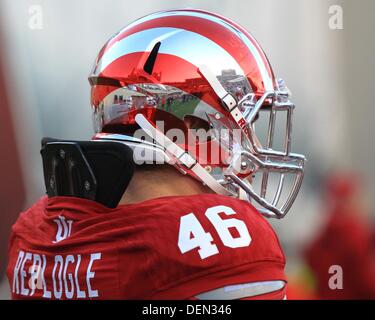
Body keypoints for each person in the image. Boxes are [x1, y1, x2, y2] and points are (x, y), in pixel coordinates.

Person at [7, 9, 305, 300]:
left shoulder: (36, 230)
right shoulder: (223, 239)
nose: (249, 152)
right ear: (192, 126)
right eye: (242, 129)